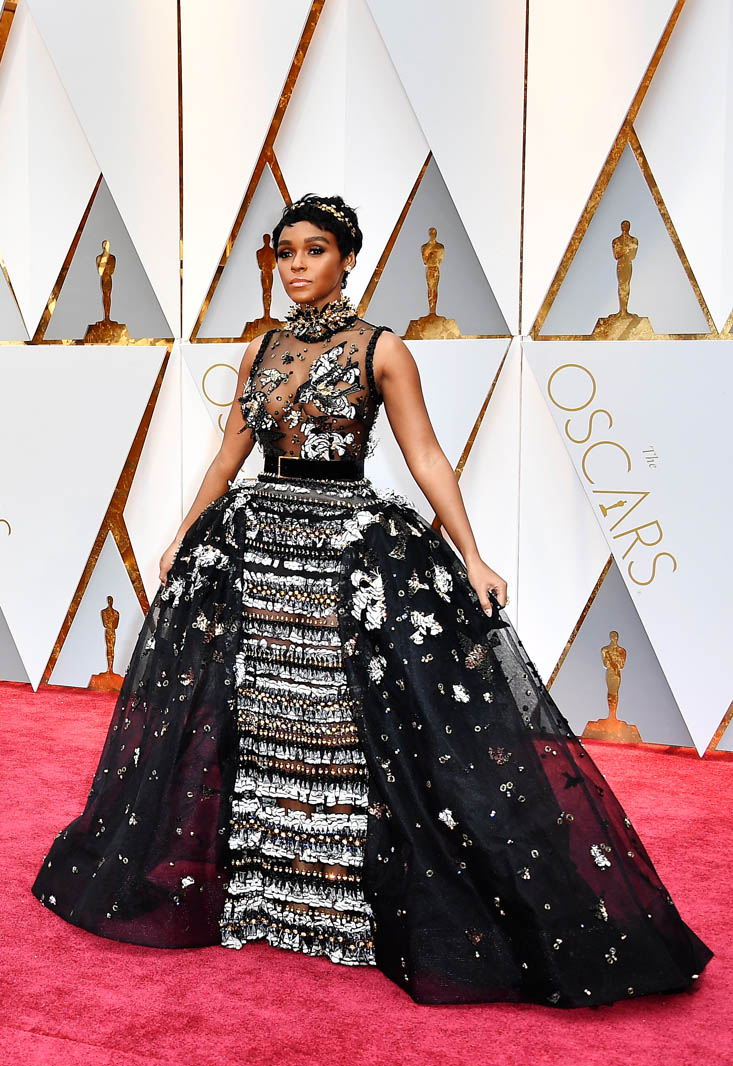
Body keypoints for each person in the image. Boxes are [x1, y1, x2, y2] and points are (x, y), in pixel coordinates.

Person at [32, 193, 712, 1007]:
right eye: (285, 252)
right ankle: (264, 891)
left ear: (347, 258)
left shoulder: (382, 349)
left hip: (346, 549)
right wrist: (184, 532)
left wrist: (472, 553)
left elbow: (426, 456)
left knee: (340, 720)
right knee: (263, 713)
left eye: (314, 250)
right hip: (257, 547)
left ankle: (345, 901)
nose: (296, 266)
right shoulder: (261, 349)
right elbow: (227, 457)